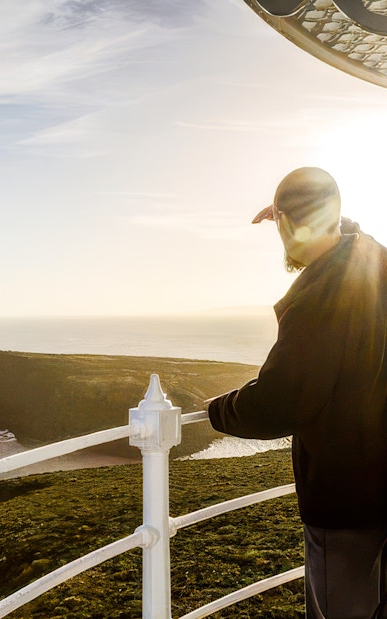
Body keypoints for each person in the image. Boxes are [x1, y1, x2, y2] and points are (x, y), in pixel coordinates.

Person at [205, 167, 387, 619]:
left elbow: (277, 403)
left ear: (283, 222)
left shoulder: (317, 300)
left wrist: (217, 410)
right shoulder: (373, 259)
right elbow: (348, 230)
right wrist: (314, 215)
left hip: (346, 501)